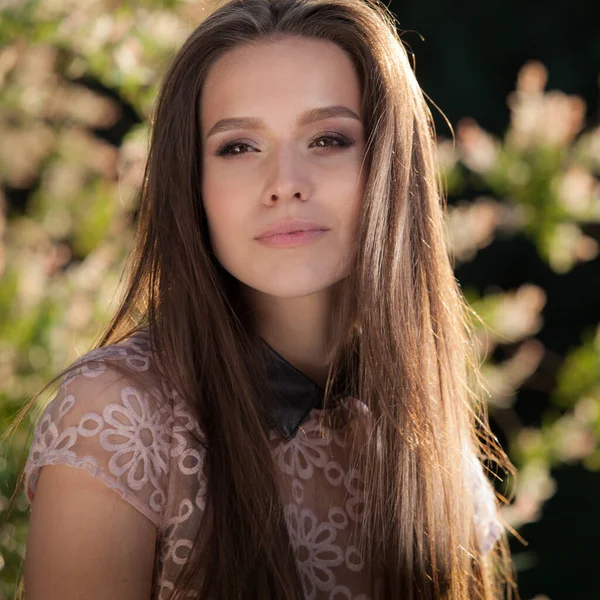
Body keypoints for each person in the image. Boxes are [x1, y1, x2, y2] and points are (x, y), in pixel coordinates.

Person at [4, 0, 517, 598]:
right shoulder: (117, 417)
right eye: (239, 147)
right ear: (192, 186)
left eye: (328, 139)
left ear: (391, 168)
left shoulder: (424, 425)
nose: (284, 184)